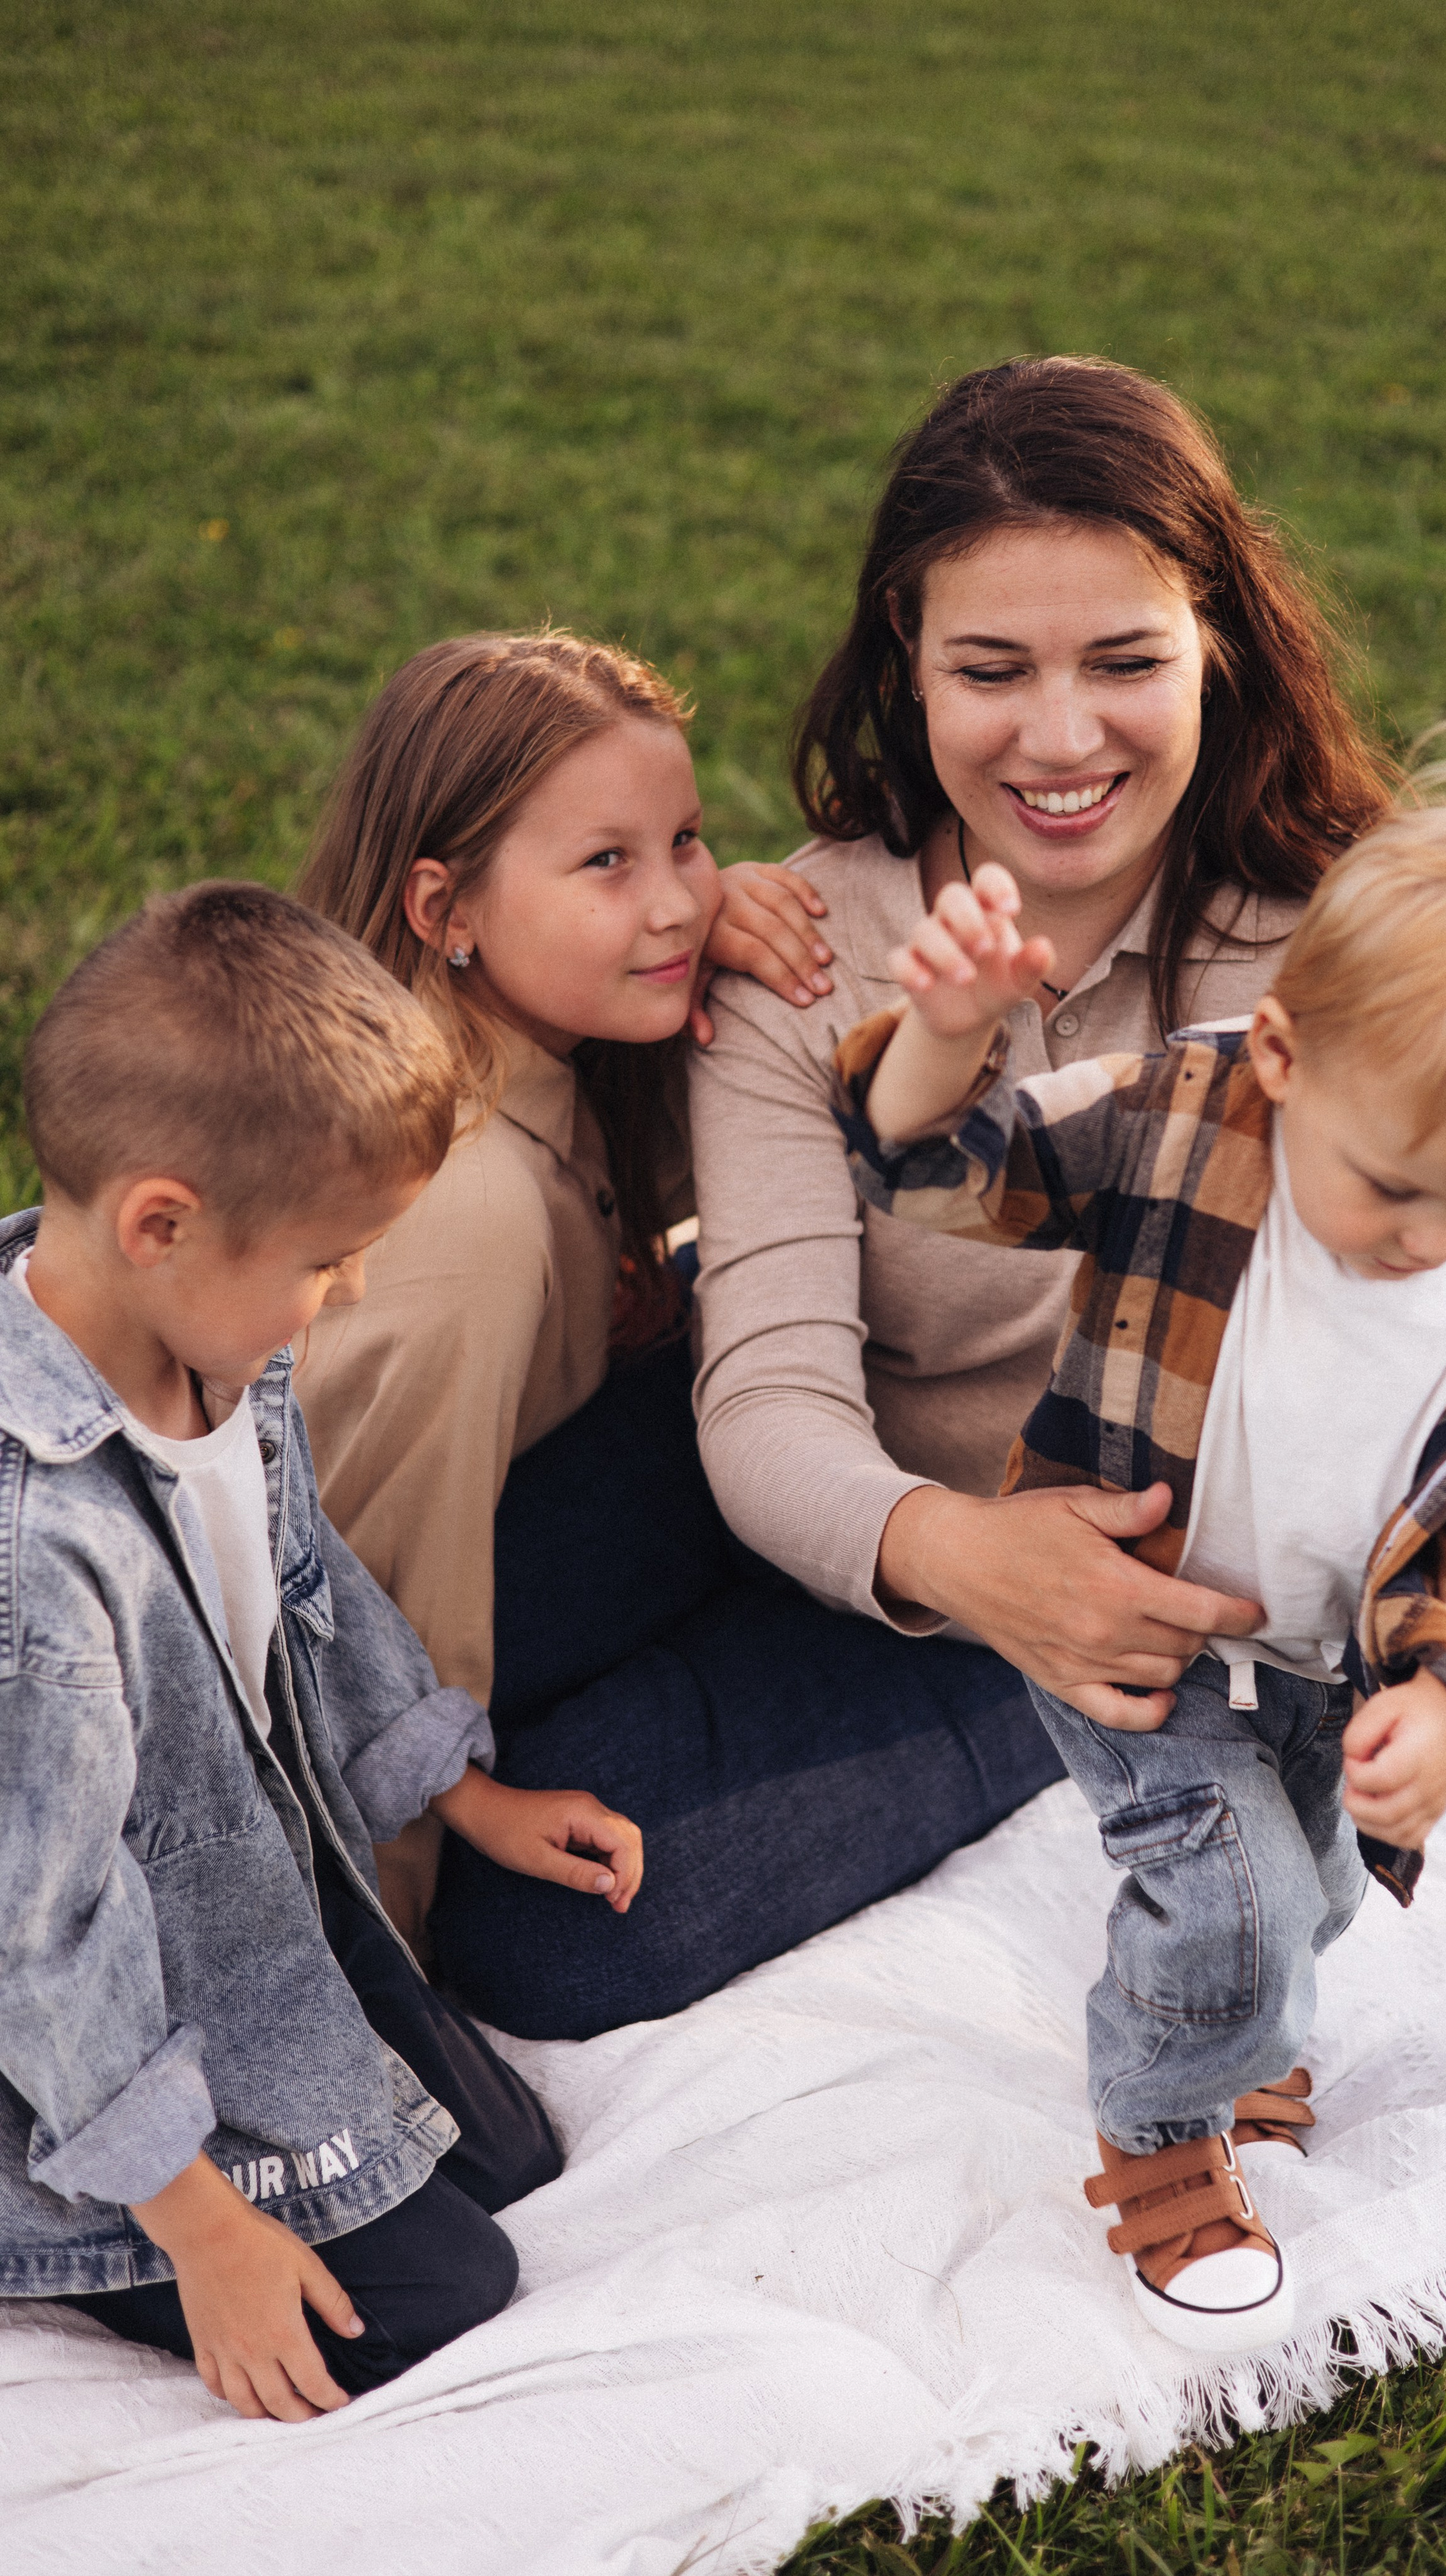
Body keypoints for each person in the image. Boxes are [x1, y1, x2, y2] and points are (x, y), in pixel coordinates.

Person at [690, 353, 1446, 2016]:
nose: (1061, 734)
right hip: (893, 1546)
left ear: (1213, 644)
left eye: (1123, 660)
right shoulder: (805, 950)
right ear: (906, 656)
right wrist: (971, 1557)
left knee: (578, 1944)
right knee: (509, 1709)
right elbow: (764, 1413)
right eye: (990, 668)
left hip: (1141, 1640)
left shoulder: (1340, 951)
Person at [829, 732, 1446, 2352]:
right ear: (1279, 1053)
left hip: (1324, 1660)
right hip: (1133, 1618)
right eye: (1395, 1190)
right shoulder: (1178, 1113)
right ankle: (1157, 2129)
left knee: (1322, 1891)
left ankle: (1243, 2032)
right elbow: (932, 1175)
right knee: (1239, 1905)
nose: (1430, 1246)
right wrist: (942, 1036)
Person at [294, 631, 1051, 2035]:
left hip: (571, 1506)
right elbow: (335, 1626)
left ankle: (1005, 1667)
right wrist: (362, 2010)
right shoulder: (459, 1223)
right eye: (606, 863)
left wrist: (725, 926)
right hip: (358, 1623)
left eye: (688, 841)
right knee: (527, 1931)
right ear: (441, 906)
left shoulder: (552, 1053)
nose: (675, 902)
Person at [0, 883, 641, 2422]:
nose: (348, 1294)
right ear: (162, 1222)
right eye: (330, 1259)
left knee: (507, 2161)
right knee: (443, 2297)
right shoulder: (33, 1554)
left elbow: (311, 1592)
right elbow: (39, 1933)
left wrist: (454, 1792)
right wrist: (203, 2226)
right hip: (63, 2020)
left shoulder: (214, 1345)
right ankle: (64, 2217)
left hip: (248, 1901)